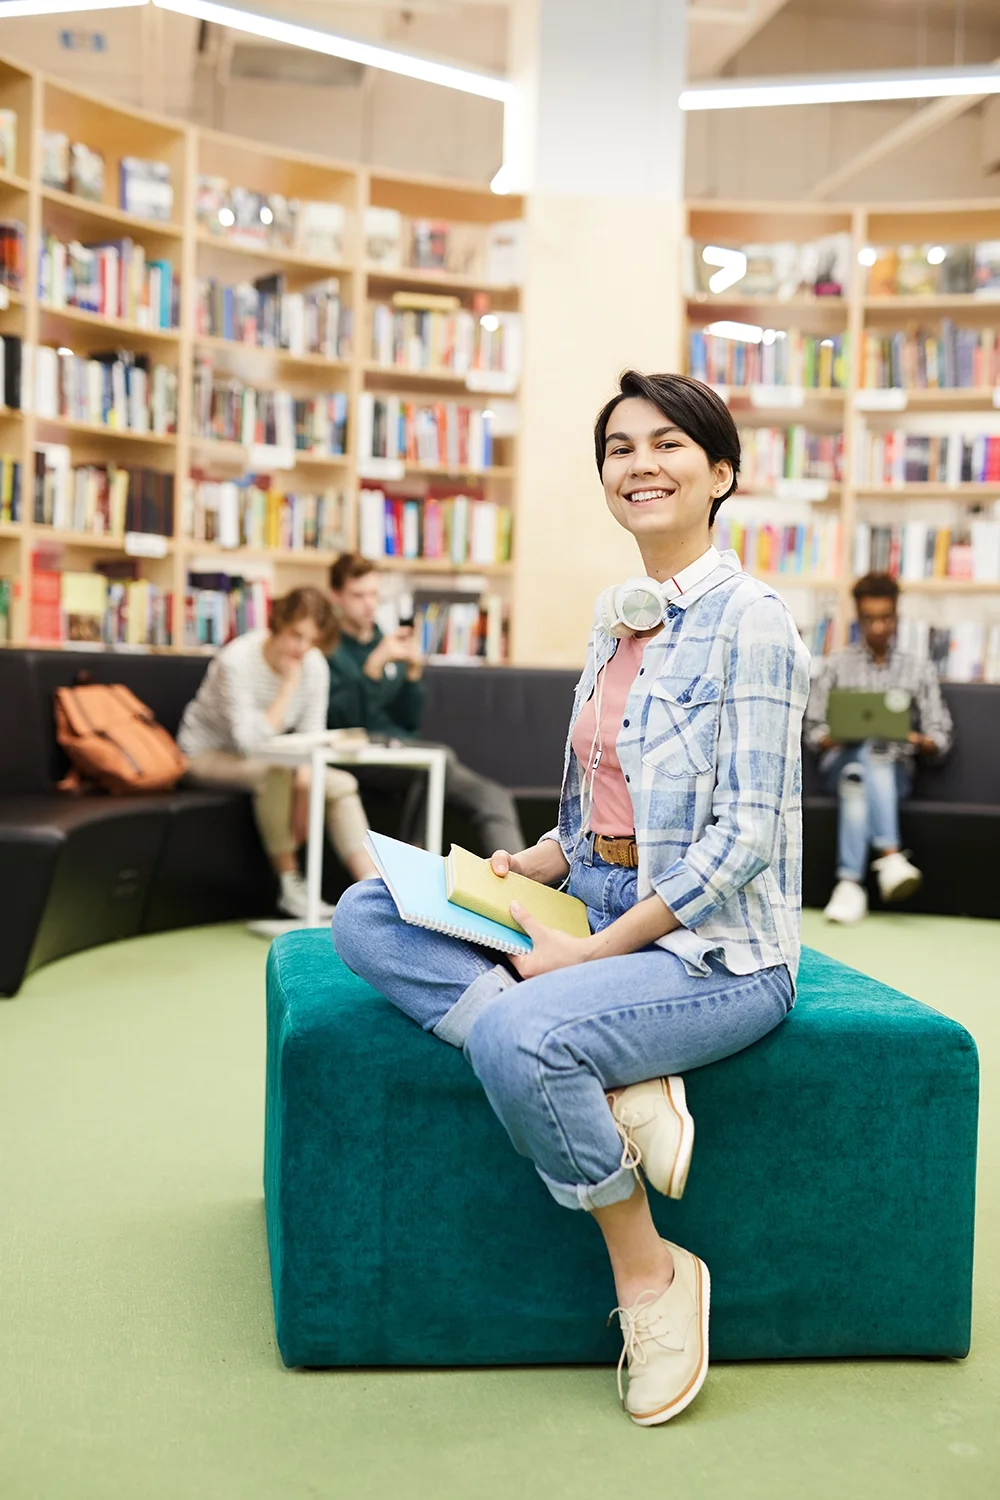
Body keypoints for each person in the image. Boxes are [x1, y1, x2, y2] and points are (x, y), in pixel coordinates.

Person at [332, 371, 810, 1426]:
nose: (639, 464)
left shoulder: (756, 623)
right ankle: (620, 1090)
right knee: (368, 911)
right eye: (619, 448)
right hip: (592, 902)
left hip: (708, 954)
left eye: (669, 445)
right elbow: (593, 799)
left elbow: (744, 842)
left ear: (720, 472)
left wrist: (591, 961)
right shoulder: (616, 617)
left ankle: (649, 1273)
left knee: (519, 1043)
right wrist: (534, 867)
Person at [178, 586, 376, 920]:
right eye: (295, 636)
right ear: (277, 625)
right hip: (205, 755)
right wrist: (286, 687)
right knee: (273, 772)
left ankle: (373, 890)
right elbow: (249, 743)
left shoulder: (314, 666)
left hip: (277, 758)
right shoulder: (237, 661)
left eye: (310, 641)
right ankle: (289, 888)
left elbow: (312, 737)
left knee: (341, 783)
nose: (302, 649)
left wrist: (303, 794)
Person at [325, 553, 525, 856]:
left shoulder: (385, 639)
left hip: (404, 751)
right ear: (336, 596)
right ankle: (413, 854)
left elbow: (409, 721)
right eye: (358, 595)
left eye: (374, 594)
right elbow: (344, 723)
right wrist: (372, 670)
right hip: (359, 753)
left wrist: (414, 674)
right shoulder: (329, 649)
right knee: (438, 759)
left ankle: (520, 888)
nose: (369, 603)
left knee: (493, 795)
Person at [805, 572, 953, 926]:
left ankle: (849, 885)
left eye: (886, 618)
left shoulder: (917, 669)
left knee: (862, 773)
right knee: (863, 752)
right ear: (859, 619)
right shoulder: (837, 666)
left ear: (897, 617)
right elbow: (813, 731)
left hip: (895, 772)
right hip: (839, 762)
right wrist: (842, 734)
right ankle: (889, 856)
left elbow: (941, 735)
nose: (878, 627)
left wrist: (911, 736)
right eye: (870, 619)